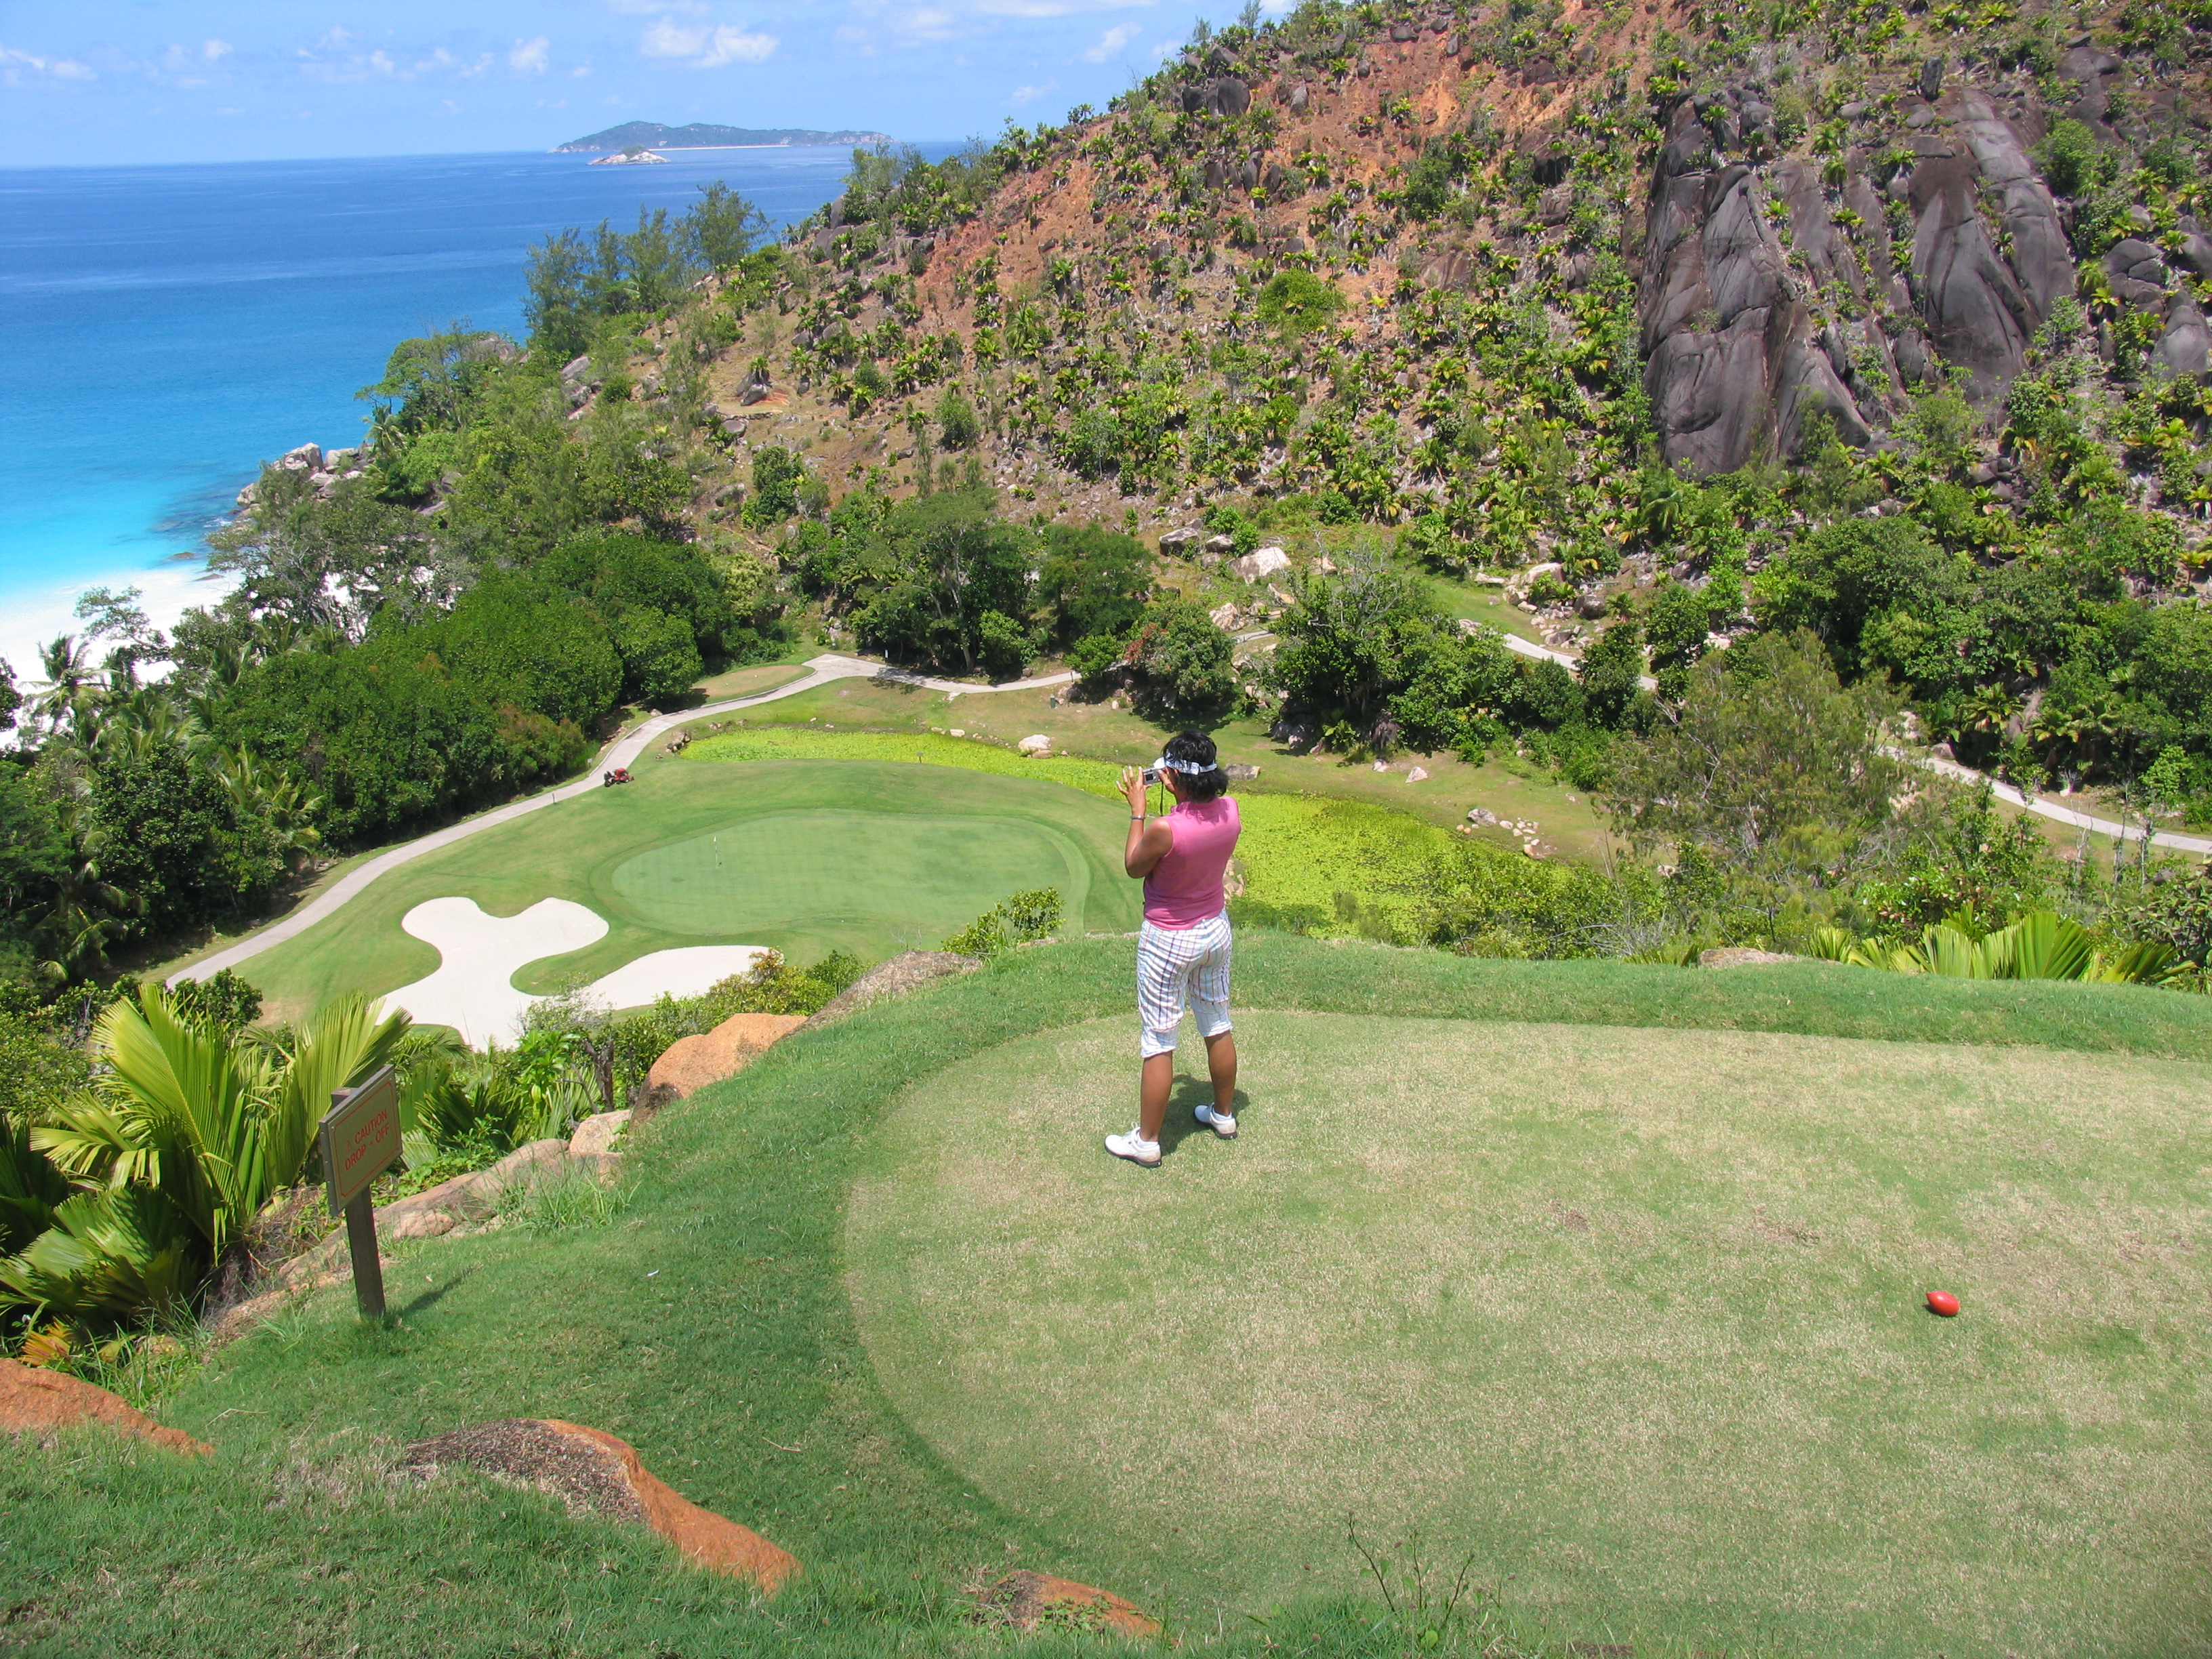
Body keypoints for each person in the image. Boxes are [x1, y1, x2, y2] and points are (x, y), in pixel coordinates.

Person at [1105, 730, 1242, 1167]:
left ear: (1174, 776)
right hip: (1215, 931)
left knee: (1160, 1039)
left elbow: (1133, 866)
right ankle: (1223, 1115)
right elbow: (1197, 816)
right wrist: (1178, 789)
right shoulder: (1231, 810)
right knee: (1217, 1021)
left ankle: (1146, 1142)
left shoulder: (1165, 828)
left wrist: (1138, 813)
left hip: (1169, 939)